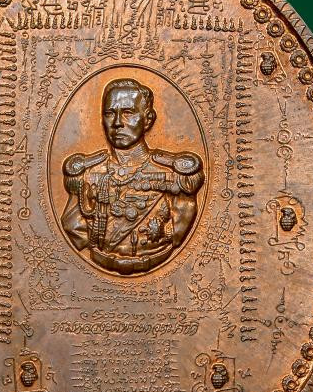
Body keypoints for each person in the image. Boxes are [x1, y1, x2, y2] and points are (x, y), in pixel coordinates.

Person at [61, 77, 205, 275]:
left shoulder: (174, 173)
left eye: (128, 113)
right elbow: (74, 227)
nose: (117, 123)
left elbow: (178, 230)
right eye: (110, 114)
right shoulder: (88, 173)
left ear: (148, 119)